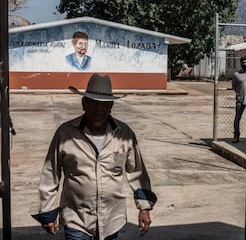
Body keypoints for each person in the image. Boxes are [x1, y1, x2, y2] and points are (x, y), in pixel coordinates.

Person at [32, 73, 157, 239]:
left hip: (112, 219)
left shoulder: (125, 134)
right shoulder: (65, 133)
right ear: (84, 103)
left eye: (104, 104)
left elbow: (137, 172)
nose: (99, 109)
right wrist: (47, 211)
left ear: (111, 105)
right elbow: (51, 173)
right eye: (93, 103)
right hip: (77, 219)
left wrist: (144, 207)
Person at [231, 56, 246, 143]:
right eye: (243, 62)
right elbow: (234, 87)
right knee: (237, 118)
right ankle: (236, 135)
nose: (245, 64)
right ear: (240, 63)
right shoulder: (236, 75)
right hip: (240, 99)